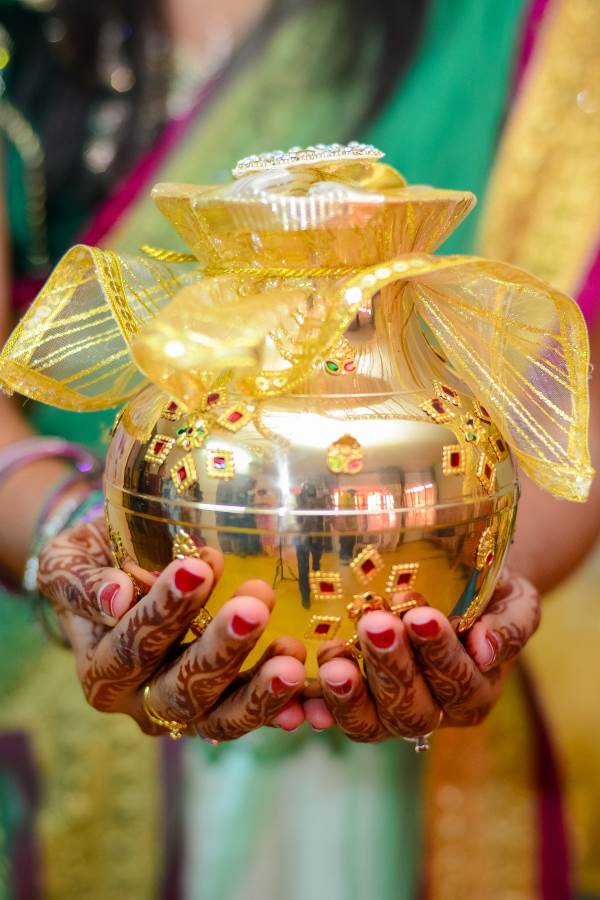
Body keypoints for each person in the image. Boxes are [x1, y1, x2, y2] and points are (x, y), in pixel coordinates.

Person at [0, 2, 598, 899]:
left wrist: (468, 590)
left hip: (431, 723)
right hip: (52, 686)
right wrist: (70, 541)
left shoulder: (544, 26)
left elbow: (576, 400)